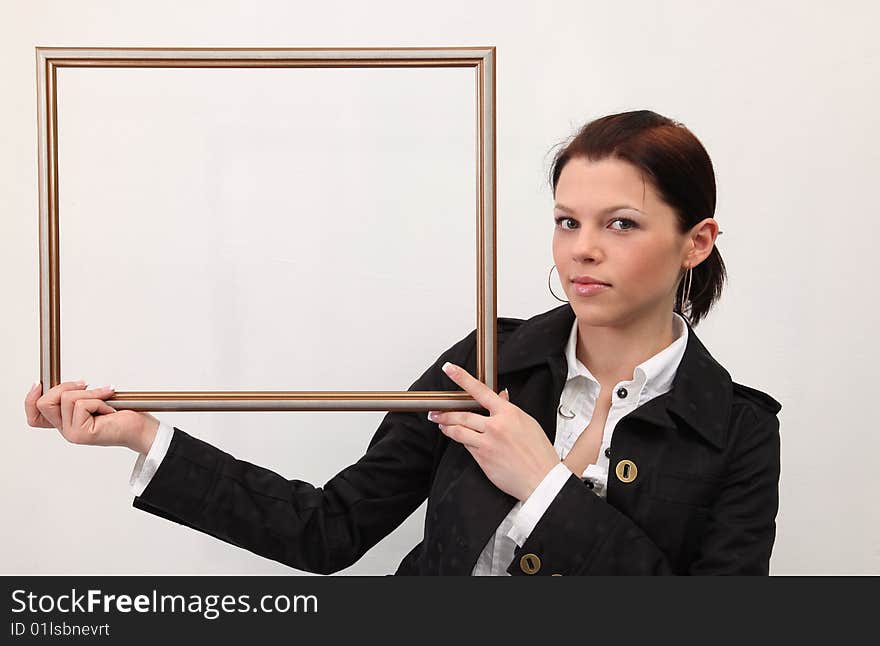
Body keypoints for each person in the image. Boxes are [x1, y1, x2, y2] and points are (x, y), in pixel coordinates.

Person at [24, 110, 782, 575]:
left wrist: (545, 485)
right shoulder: (491, 359)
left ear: (696, 242)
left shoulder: (739, 429)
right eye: (566, 220)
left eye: (621, 223)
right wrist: (140, 435)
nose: (581, 249)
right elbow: (328, 528)